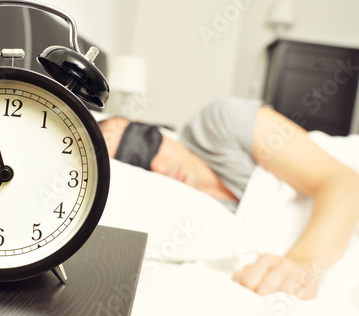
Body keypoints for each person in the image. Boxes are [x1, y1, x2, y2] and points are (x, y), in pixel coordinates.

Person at [98, 96, 359, 300]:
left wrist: (301, 265)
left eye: (144, 145)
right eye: (137, 165)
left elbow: (344, 182)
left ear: (148, 125)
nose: (158, 166)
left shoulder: (218, 122)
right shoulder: (183, 230)